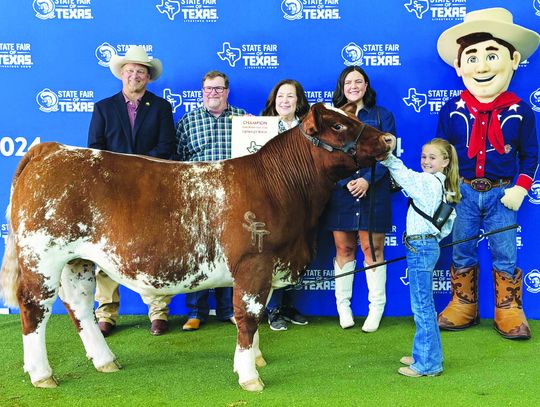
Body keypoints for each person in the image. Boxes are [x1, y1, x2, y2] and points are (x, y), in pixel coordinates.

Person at [435, 8, 539, 339]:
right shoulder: (451, 109)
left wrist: (521, 188)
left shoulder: (520, 110)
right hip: (463, 191)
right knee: (461, 247)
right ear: (459, 65)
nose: (481, 66)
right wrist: (446, 185)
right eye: (473, 57)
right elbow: (442, 152)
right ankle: (462, 304)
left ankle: (508, 309)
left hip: (502, 193)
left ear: (513, 59)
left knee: (505, 249)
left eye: (491, 55)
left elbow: (531, 153)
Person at [88, 45, 176, 336]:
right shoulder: (103, 108)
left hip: (151, 189)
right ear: (121, 75)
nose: (135, 76)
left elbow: (167, 148)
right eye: (130, 71)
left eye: (141, 72)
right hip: (112, 191)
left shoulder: (162, 107)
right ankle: (106, 313)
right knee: (104, 250)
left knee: (154, 248)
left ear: (148, 78)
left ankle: (158, 311)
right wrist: (121, 172)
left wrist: (137, 169)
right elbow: (95, 150)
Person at [321, 66, 396, 331]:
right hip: (341, 192)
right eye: (348, 82)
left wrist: (366, 179)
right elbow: (326, 156)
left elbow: (389, 155)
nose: (353, 86)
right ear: (342, 86)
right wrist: (345, 181)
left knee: (372, 250)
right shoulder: (333, 117)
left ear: (366, 85)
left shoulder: (382, 115)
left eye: (358, 81)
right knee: (344, 249)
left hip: (373, 191)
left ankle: (376, 308)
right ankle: (344, 307)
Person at [380, 137, 461, 377]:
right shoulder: (441, 182)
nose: (426, 161)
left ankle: (428, 364)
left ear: (445, 161)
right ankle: (424, 354)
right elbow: (447, 223)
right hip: (426, 245)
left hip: (420, 247)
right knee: (423, 305)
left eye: (432, 157)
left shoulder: (427, 181)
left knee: (422, 307)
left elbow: (405, 176)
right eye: (424, 156)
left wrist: (387, 157)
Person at [175, 70, 245, 331]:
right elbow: (179, 159)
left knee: (232, 251)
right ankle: (196, 312)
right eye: (208, 89)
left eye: (218, 89)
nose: (213, 93)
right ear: (202, 91)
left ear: (227, 91)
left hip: (235, 197)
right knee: (198, 252)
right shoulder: (188, 121)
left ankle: (228, 309)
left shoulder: (243, 118)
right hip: (198, 198)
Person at [260, 79, 310, 331]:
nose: (285, 101)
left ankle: (287, 305)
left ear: (298, 101)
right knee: (274, 252)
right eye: (280, 96)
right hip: (270, 201)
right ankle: (273, 309)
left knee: (294, 252)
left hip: (301, 201)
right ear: (274, 100)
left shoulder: (307, 129)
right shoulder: (262, 126)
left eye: (290, 96)